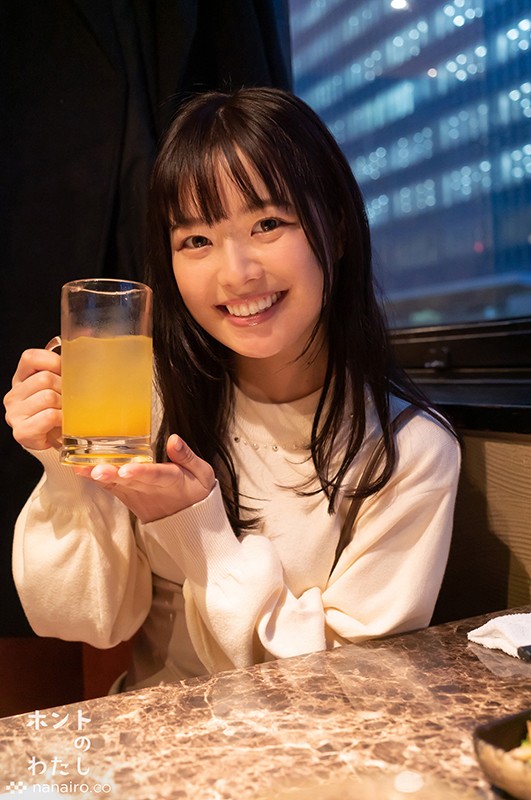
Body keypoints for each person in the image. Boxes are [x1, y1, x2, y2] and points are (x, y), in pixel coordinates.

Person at [4, 88, 460, 690]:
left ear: (337, 228)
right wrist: (65, 468)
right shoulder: (145, 402)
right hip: (147, 730)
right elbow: (85, 622)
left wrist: (201, 533)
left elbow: (353, 684)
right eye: (196, 240)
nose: (236, 274)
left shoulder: (408, 449)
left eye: (268, 224)